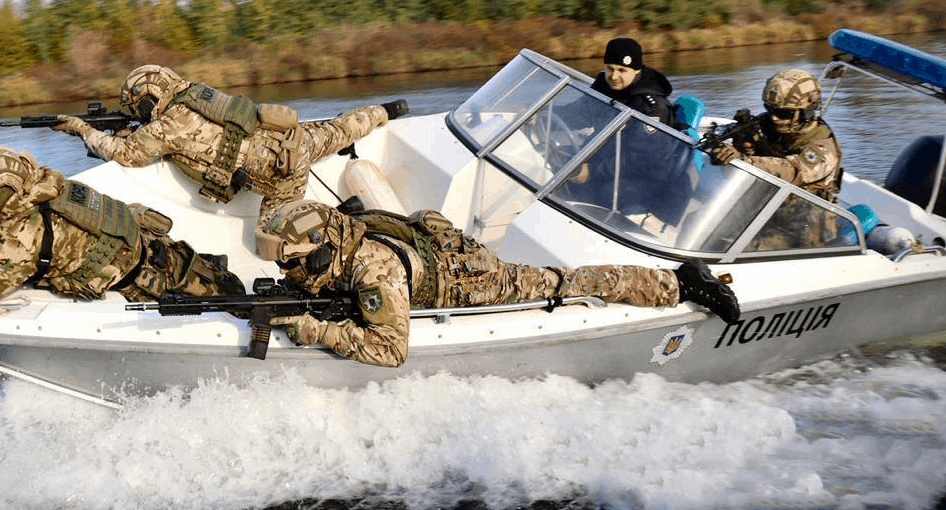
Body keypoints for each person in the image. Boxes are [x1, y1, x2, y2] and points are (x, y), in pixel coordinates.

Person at [255, 200, 740, 367]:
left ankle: (678, 282)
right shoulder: (339, 235)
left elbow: (391, 350)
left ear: (323, 248)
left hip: (472, 281)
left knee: (562, 283)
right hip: (431, 243)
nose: (288, 274)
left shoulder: (373, 272)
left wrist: (317, 331)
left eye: (294, 265)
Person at [0, 147, 244, 306]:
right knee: (227, 287)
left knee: (236, 306)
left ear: (5, 192)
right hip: (161, 254)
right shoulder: (48, 188)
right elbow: (47, 246)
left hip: (155, 285)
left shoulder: (21, 236)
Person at [50, 65, 407, 224]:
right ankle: (387, 110)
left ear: (146, 101)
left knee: (274, 242)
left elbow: (123, 154)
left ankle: (341, 219)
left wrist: (83, 130)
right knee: (342, 128)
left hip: (281, 176)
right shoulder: (196, 97)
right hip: (294, 139)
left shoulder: (165, 128)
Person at [708, 68, 842, 202]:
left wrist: (745, 160)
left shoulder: (824, 146)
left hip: (806, 215)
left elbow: (792, 171)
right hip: (764, 203)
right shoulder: (767, 124)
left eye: (784, 113)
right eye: (770, 109)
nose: (774, 118)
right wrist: (739, 144)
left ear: (807, 111)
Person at [591, 37, 676, 128]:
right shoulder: (601, 87)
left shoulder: (652, 107)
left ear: (637, 70)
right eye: (610, 69)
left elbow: (642, 141)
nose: (614, 76)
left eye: (622, 70)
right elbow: (579, 114)